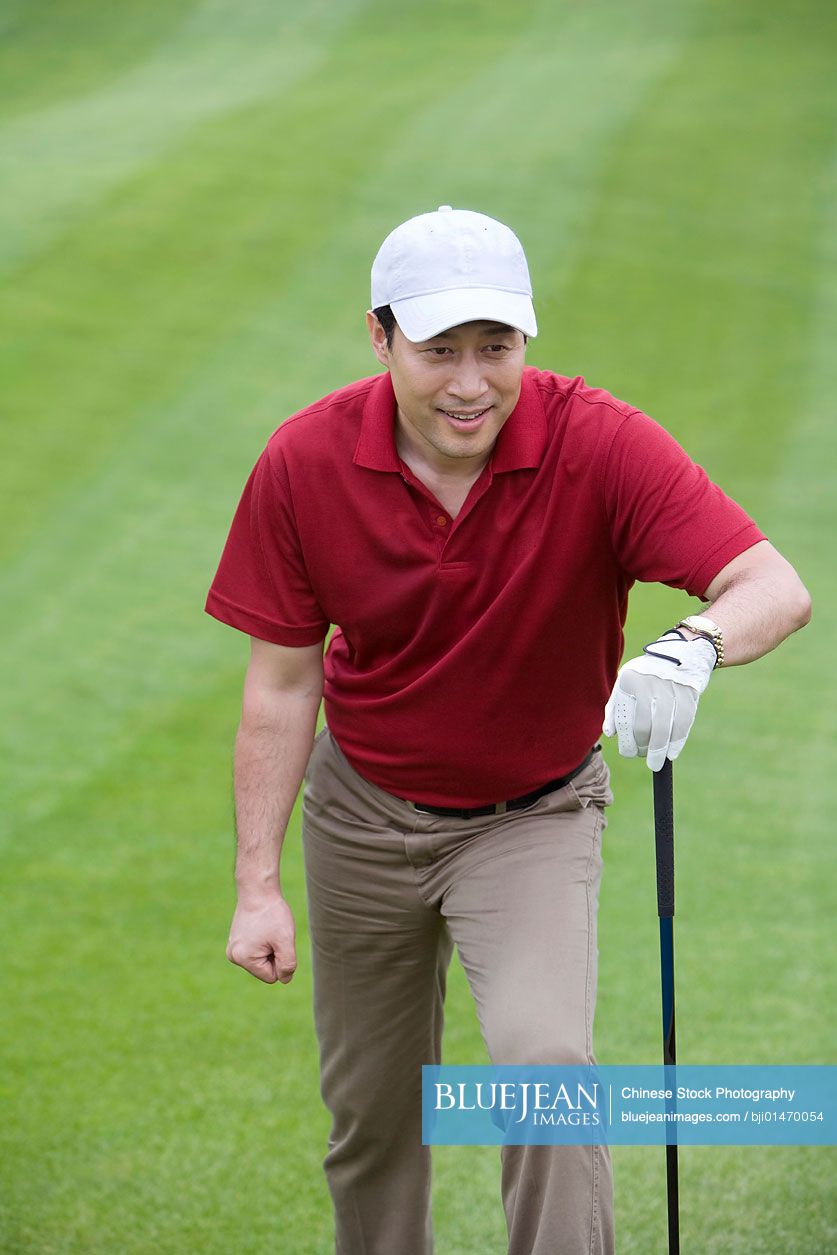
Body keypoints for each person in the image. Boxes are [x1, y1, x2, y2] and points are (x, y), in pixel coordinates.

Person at [204, 206, 811, 1254]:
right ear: (380, 338)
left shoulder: (600, 442)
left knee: (547, 1075)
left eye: (499, 347)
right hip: (361, 816)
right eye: (442, 351)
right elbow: (282, 685)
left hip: (531, 814)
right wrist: (258, 884)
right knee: (374, 1118)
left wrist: (696, 644)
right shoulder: (304, 462)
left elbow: (772, 584)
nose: (474, 382)